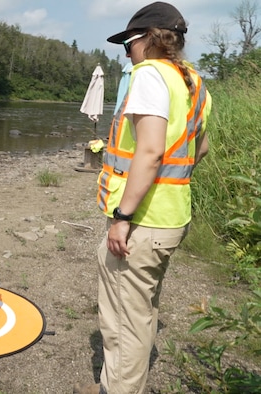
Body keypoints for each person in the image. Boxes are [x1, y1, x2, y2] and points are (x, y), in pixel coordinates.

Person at [74, 2, 212, 393]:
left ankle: (116, 389)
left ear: (151, 40)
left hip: (141, 223)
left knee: (123, 318)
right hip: (171, 218)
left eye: (129, 44)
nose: (127, 54)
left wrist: (122, 215)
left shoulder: (150, 75)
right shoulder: (193, 83)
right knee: (141, 309)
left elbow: (150, 152)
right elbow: (199, 149)